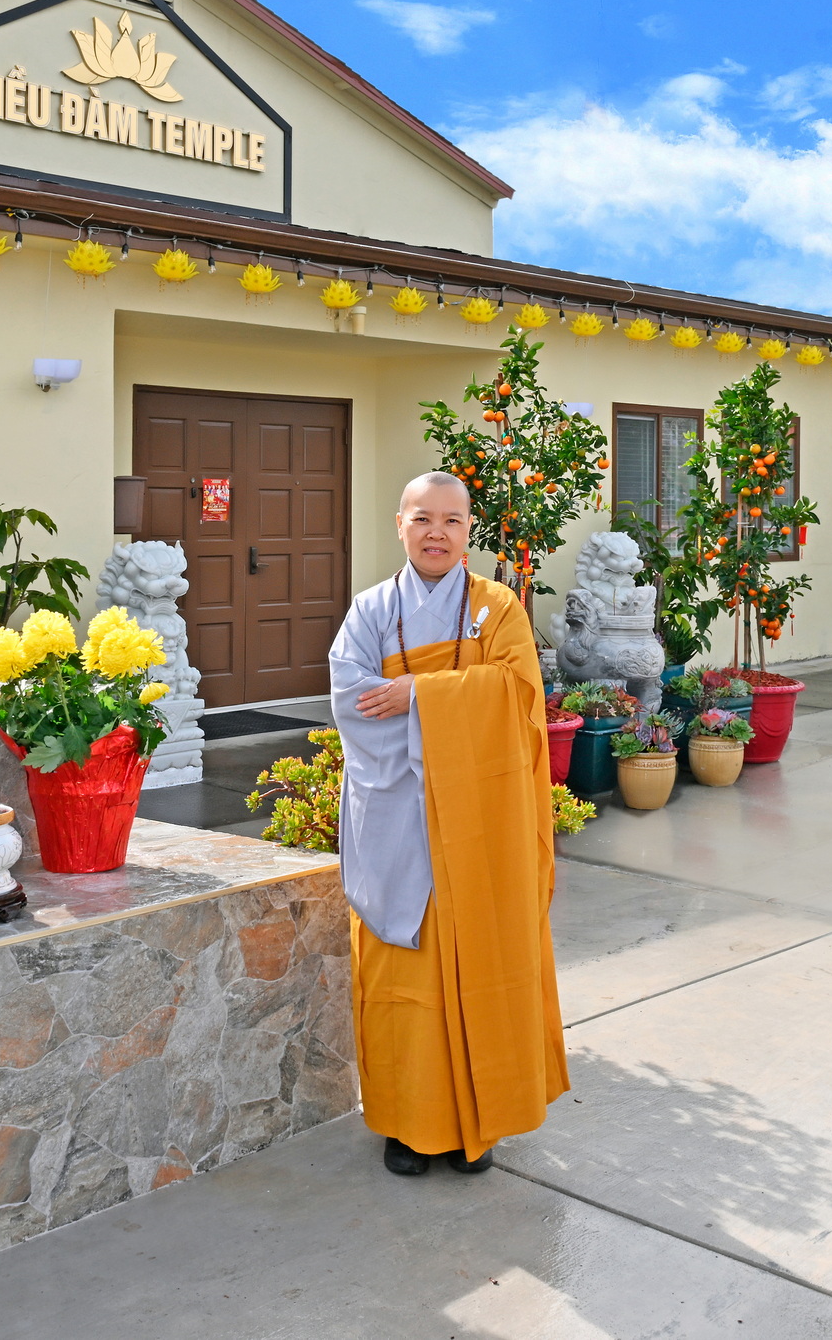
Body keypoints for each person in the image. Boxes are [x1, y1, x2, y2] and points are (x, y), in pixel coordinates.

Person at [329, 471, 569, 1176]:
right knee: (401, 978)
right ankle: (406, 1126)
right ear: (399, 525)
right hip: (397, 817)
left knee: (486, 968)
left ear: (469, 531)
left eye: (452, 521)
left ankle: (480, 1123)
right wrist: (433, 712)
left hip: (480, 823)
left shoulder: (499, 609)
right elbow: (353, 702)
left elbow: (519, 698)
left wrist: (418, 693)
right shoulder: (371, 611)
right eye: (423, 519)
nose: (437, 533)